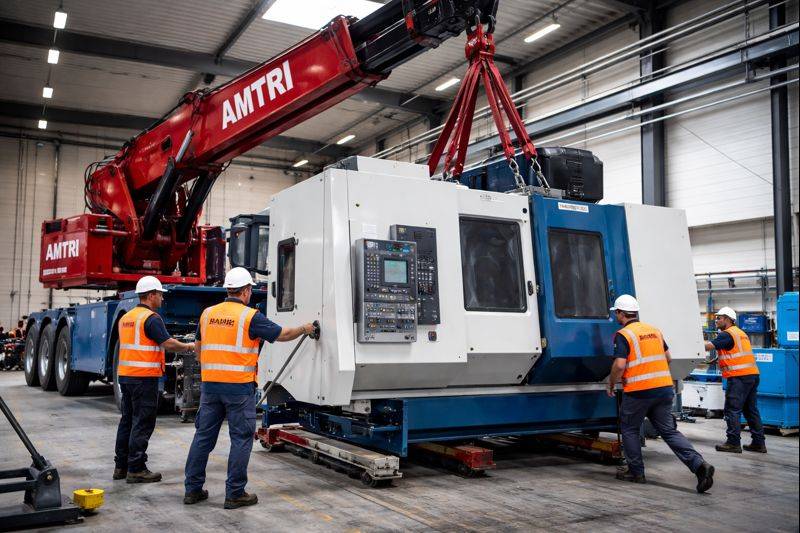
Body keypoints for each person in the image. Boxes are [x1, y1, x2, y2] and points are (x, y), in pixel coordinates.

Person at [183, 267, 317, 509]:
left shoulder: (207, 314)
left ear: (227, 289)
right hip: (238, 389)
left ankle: (192, 490)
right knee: (241, 439)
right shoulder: (249, 316)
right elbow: (283, 334)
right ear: (245, 291)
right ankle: (234, 493)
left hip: (210, 387)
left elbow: (198, 349)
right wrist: (304, 329)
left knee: (203, 437)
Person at [607, 294, 715, 493]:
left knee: (630, 428)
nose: (616, 317)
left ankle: (636, 472)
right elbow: (668, 357)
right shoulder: (654, 331)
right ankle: (699, 466)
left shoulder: (624, 334)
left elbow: (620, 365)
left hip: (639, 391)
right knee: (669, 431)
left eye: (617, 314)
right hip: (664, 389)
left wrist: (612, 383)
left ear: (621, 313)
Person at [114, 276, 195, 483]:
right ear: (151, 295)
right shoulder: (151, 318)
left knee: (127, 421)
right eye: (160, 295)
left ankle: (121, 466)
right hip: (144, 378)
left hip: (126, 376)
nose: (162, 299)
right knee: (142, 422)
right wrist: (189, 347)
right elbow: (167, 343)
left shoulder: (126, 318)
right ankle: (136, 468)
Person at [704, 306, 765, 454]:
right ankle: (759, 443)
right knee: (751, 410)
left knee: (732, 409)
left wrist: (692, 345)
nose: (716, 320)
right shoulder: (740, 333)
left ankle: (733, 443)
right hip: (751, 375)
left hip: (738, 377)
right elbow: (734, 351)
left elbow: (708, 346)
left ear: (728, 319)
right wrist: (718, 359)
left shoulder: (726, 334)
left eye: (719, 318)